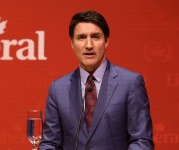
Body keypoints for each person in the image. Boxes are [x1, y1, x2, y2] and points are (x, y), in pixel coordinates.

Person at [39, 10, 154, 150]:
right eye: (81, 37)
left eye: (95, 37)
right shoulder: (58, 89)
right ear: (72, 44)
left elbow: (141, 141)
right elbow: (50, 143)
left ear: (106, 42)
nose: (89, 45)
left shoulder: (130, 83)